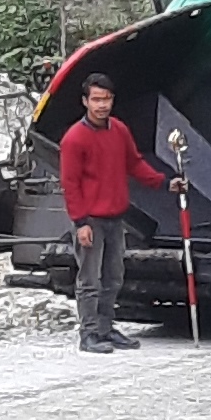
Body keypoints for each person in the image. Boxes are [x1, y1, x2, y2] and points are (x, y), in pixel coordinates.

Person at [56, 77, 172, 354]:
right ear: (85, 102)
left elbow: (134, 163)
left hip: (116, 217)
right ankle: (89, 334)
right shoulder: (74, 139)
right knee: (89, 280)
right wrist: (80, 222)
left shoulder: (119, 130)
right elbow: (70, 183)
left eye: (106, 99)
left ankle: (106, 328)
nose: (102, 105)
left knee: (113, 277)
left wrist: (164, 182)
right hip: (91, 220)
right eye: (96, 99)